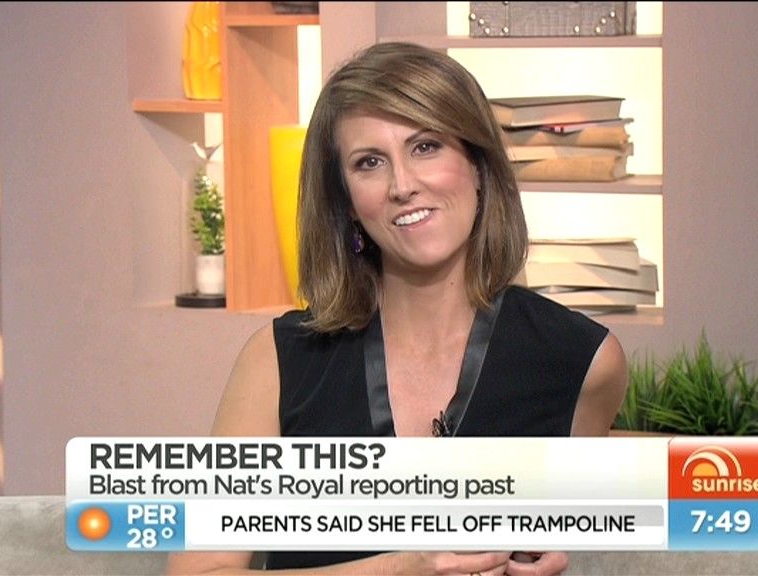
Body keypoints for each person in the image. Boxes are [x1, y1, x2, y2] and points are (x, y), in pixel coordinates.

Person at [167, 41, 629, 576]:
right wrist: (401, 568)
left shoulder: (583, 361)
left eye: (426, 146)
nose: (403, 185)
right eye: (369, 162)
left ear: (478, 166)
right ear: (345, 201)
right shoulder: (278, 361)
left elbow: (571, 530)